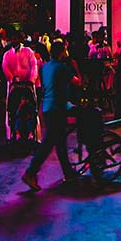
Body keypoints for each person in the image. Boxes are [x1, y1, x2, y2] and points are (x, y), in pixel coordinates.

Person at [22, 43, 84, 190]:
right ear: (62, 52)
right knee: (49, 143)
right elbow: (78, 82)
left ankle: (68, 172)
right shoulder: (62, 68)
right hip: (59, 107)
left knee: (60, 141)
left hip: (48, 106)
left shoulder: (45, 67)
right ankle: (31, 172)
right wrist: (75, 67)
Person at [2, 39, 41, 141]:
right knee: (13, 110)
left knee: (31, 109)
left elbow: (34, 66)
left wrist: (31, 79)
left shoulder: (28, 52)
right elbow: (5, 67)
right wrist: (12, 79)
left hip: (28, 85)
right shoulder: (7, 54)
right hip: (14, 86)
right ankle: (14, 133)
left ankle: (33, 134)